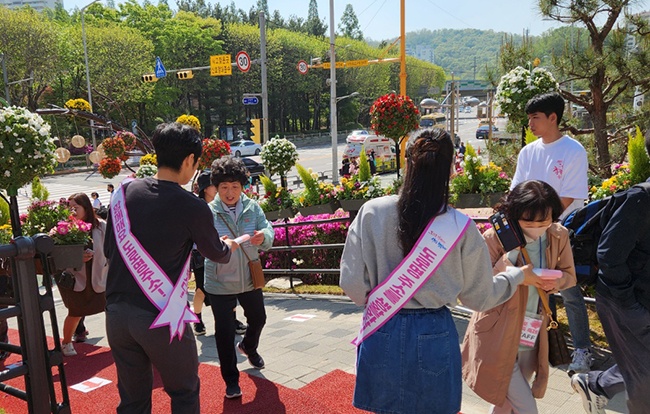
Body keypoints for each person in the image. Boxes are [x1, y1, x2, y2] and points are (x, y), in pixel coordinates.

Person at [340, 127, 542, 414]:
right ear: (451, 169)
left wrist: (381, 299)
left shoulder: (372, 213)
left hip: (382, 325)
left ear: (408, 163)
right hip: (434, 333)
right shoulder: (461, 228)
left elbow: (351, 284)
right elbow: (480, 298)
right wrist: (517, 275)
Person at [104, 122, 237, 413]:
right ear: (190, 159)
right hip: (162, 315)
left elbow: (108, 250)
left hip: (116, 314)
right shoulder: (191, 205)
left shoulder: (123, 194)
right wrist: (231, 246)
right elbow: (217, 253)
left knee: (133, 400)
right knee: (184, 392)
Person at [462, 180, 577, 413]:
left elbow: (569, 276)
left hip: (533, 326)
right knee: (525, 406)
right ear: (513, 214)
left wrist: (557, 281)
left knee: (504, 402)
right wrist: (513, 258)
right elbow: (481, 284)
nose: (536, 226)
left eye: (544, 221)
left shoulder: (558, 235)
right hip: (497, 327)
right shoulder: (495, 237)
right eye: (528, 221)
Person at [510, 91, 592, 374]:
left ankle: (582, 350)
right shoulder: (528, 152)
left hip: (560, 232)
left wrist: (544, 224)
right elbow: (516, 193)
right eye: (529, 117)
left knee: (568, 290)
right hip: (528, 231)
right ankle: (535, 346)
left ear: (553, 118)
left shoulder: (573, 150)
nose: (530, 124)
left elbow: (569, 197)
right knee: (531, 288)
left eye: (535, 117)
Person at [570, 132, 650, 414]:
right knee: (645, 383)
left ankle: (596, 385)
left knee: (642, 366)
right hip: (624, 301)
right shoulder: (640, 200)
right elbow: (609, 255)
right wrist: (631, 306)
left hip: (639, 300)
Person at [203, 156, 274, 400]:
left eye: (235, 186)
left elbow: (269, 230)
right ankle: (231, 380)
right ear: (216, 188)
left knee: (259, 318)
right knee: (224, 332)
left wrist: (262, 237)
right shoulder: (208, 212)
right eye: (224, 187)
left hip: (248, 277)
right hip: (219, 281)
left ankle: (249, 347)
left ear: (243, 186)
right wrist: (218, 246)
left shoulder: (253, 207)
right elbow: (200, 243)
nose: (229, 192)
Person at [191, 170, 247, 337]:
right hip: (201, 254)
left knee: (229, 286)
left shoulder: (223, 203)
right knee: (201, 289)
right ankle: (197, 319)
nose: (216, 188)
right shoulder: (198, 207)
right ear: (204, 188)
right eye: (212, 185)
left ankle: (232, 319)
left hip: (224, 251)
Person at [59, 193, 109, 357]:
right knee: (75, 312)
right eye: (70, 208)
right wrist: (76, 258)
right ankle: (66, 342)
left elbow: (111, 250)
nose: (72, 211)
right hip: (76, 278)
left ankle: (118, 340)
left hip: (99, 276)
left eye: (76, 207)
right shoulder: (65, 228)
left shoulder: (101, 226)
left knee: (110, 308)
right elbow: (58, 255)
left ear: (86, 207)